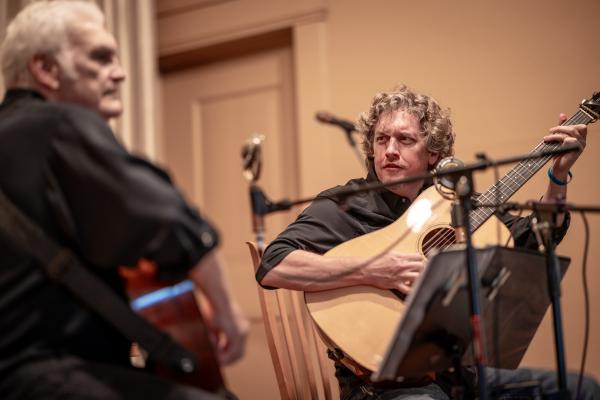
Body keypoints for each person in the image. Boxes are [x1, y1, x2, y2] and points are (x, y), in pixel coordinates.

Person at [256, 85, 599, 399]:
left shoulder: (447, 201)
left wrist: (558, 176)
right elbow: (273, 264)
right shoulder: (344, 205)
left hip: (458, 375)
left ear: (433, 153)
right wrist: (374, 270)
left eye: (405, 140)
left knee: (581, 389)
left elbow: (540, 236)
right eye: (381, 139)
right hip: (383, 387)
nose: (390, 151)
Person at [0, 1, 248, 399]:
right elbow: (170, 220)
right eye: (100, 58)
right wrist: (227, 312)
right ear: (46, 69)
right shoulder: (61, 124)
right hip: (43, 373)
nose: (120, 72)